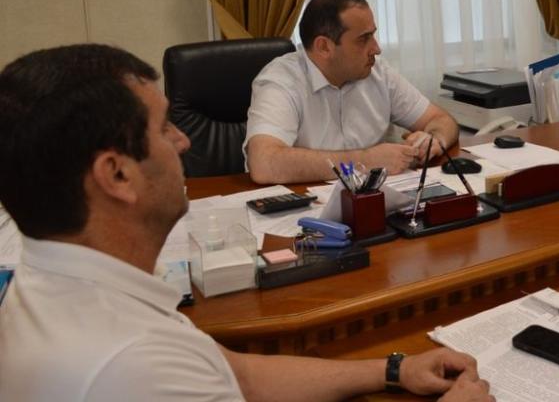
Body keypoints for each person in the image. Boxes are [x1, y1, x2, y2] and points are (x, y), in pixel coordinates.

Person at [0, 44, 492, 402]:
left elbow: (239, 376)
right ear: (117, 174)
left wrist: (393, 369)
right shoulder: (134, 365)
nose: (183, 142)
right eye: (164, 128)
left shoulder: (63, 288)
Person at [245, 0, 459, 183]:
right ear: (324, 47)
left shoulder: (378, 72)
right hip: (304, 205)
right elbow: (265, 163)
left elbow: (440, 119)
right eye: (364, 39)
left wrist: (434, 139)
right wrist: (366, 161)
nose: (376, 49)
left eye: (373, 35)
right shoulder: (281, 81)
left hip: (376, 199)